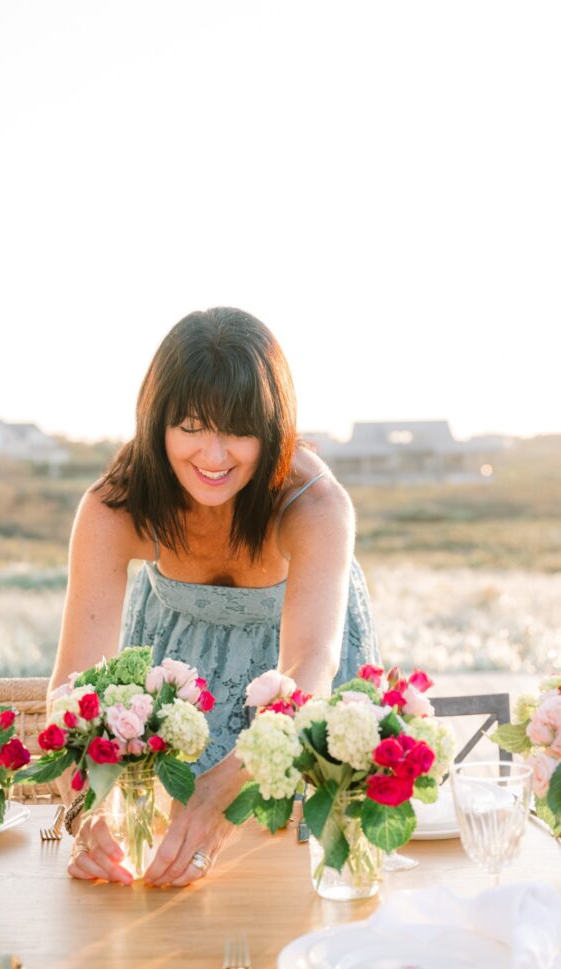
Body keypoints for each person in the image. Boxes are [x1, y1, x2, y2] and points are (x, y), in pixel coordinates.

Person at [50, 306, 379, 887]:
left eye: (238, 429)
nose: (214, 455)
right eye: (192, 426)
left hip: (293, 699)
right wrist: (85, 804)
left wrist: (225, 785)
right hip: (174, 667)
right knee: (160, 875)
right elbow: (71, 686)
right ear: (157, 423)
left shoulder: (315, 503)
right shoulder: (114, 504)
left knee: (295, 877)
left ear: (273, 427)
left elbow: (309, 670)